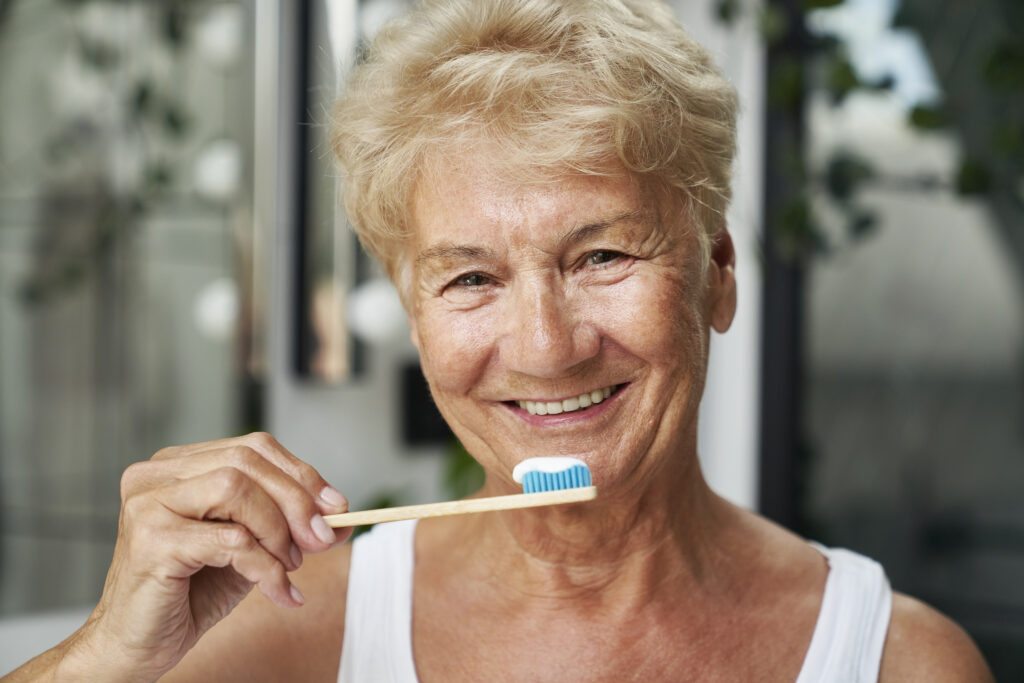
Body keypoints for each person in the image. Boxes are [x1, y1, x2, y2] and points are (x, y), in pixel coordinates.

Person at [3, 0, 994, 680]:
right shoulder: (288, 629)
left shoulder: (890, 657)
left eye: (602, 255)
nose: (548, 346)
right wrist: (108, 654)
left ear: (718, 273)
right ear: (413, 311)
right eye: (471, 277)